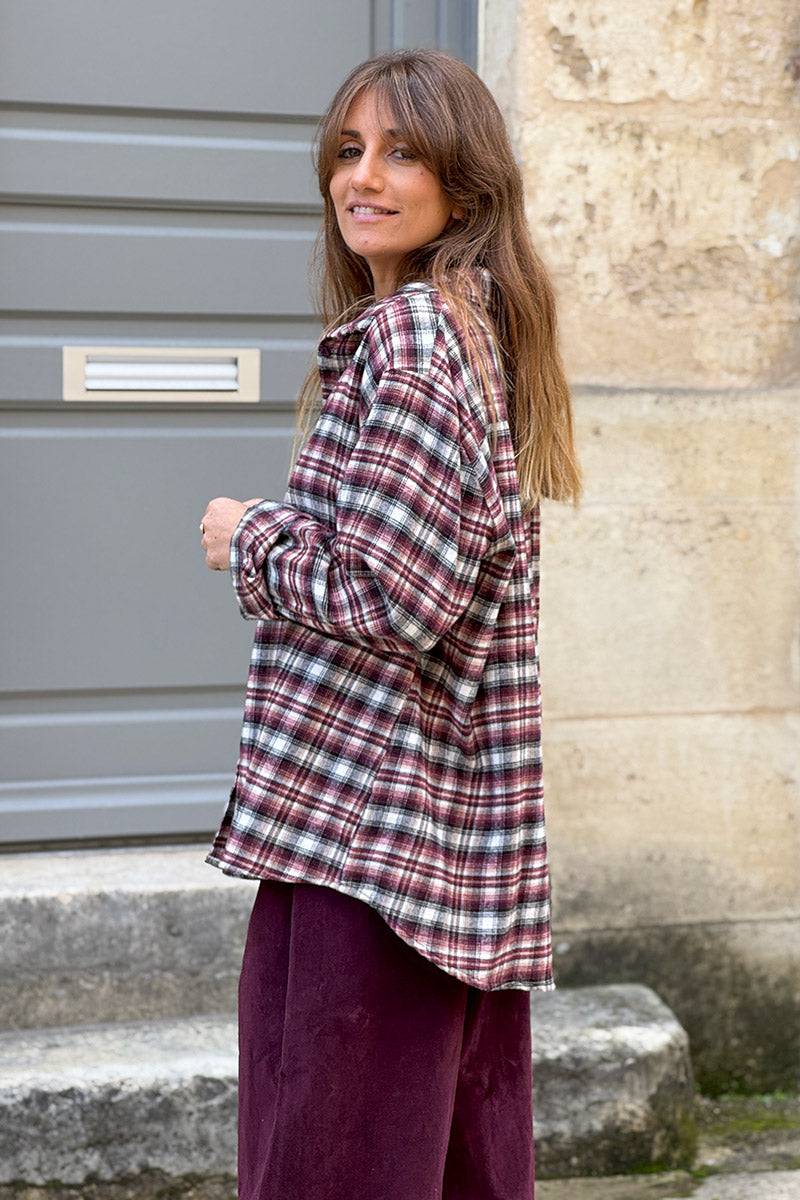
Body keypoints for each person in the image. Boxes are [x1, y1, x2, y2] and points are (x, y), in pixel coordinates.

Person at [200, 48, 581, 1200]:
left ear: (462, 189)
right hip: (433, 845)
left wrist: (251, 538)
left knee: (327, 1167)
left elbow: (394, 596)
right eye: (347, 150)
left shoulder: (414, 337)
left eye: (400, 152)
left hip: (364, 851)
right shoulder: (471, 330)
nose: (359, 178)